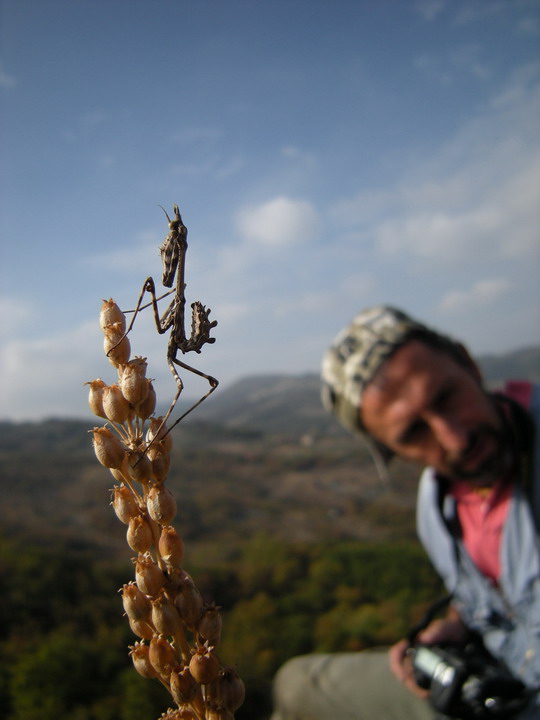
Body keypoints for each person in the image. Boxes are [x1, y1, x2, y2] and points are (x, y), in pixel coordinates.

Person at [270, 306, 540, 720]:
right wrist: (459, 625)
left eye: (446, 397)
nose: (455, 437)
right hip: (490, 685)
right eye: (414, 432)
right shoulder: (435, 506)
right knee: (296, 682)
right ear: (389, 451)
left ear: (468, 364)